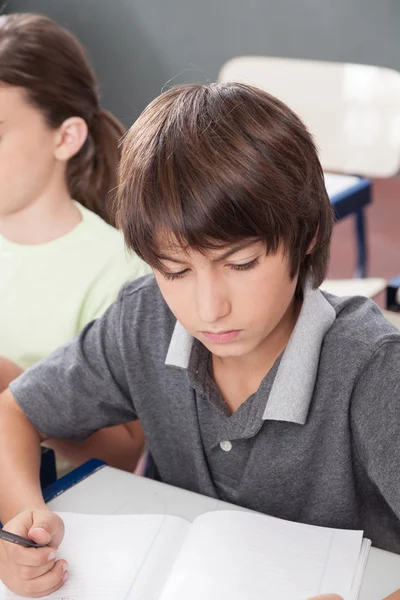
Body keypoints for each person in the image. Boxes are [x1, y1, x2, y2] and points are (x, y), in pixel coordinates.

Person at [1, 81, 400, 598]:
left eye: (241, 264)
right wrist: (22, 518)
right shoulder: (144, 317)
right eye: (175, 270)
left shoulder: (374, 371)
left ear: (307, 237)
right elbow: (15, 411)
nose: (209, 309)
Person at [0, 13, 149, 472]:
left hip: (54, 509)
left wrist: (10, 383)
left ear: (65, 137)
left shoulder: (121, 274)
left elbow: (125, 453)